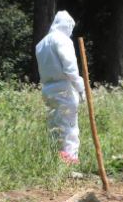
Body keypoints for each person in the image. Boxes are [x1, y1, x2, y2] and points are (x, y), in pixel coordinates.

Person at [35, 10, 85, 165]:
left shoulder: (41, 44)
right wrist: (81, 88)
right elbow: (70, 69)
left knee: (54, 127)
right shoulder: (62, 40)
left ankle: (55, 161)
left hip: (48, 89)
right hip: (64, 89)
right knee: (69, 128)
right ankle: (69, 163)